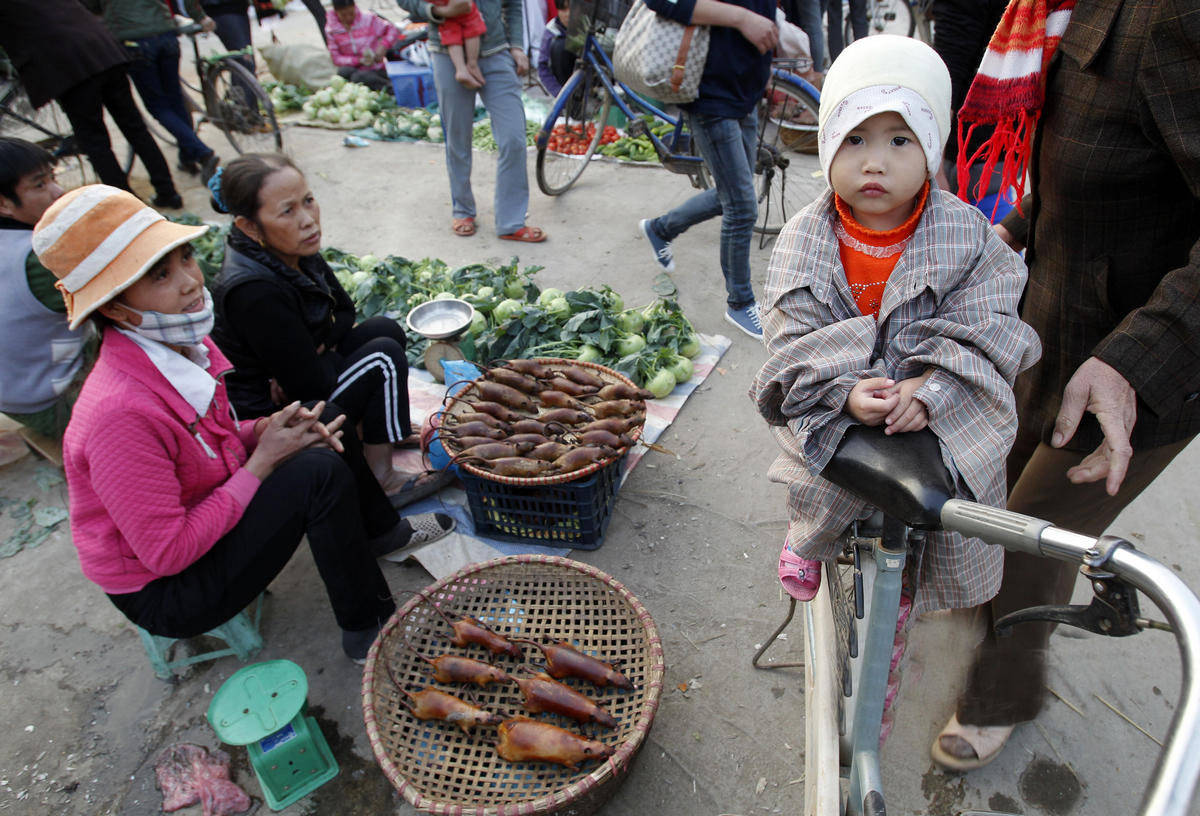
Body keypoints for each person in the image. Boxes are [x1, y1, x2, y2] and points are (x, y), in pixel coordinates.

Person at [932, 0, 1200, 771]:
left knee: (1033, 531)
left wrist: (1139, 360)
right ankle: (988, 613)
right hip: (1052, 317)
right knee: (994, 495)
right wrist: (1009, 231)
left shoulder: (1173, 20)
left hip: (1139, 363)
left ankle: (1000, 695)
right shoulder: (1056, 9)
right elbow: (1087, 157)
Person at [33, 185, 442, 662]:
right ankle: (368, 630)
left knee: (319, 418)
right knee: (316, 474)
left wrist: (261, 431)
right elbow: (168, 553)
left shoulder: (187, 348)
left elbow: (214, 442)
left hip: (201, 514)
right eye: (160, 276)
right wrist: (262, 463)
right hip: (170, 588)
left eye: (185, 258)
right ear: (116, 309)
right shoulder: (118, 415)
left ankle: (380, 533)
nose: (189, 281)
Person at [749, 35, 1040, 614]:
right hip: (838, 397)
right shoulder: (806, 237)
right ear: (829, 144)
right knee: (824, 471)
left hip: (933, 396)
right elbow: (792, 333)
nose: (874, 161)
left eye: (900, 140)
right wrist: (843, 391)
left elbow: (990, 322)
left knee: (953, 489)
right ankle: (807, 538)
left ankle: (900, 612)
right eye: (854, 139)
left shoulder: (968, 234)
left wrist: (932, 388)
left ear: (931, 150)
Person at [207, 153, 455, 511]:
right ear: (250, 227)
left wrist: (315, 345)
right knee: (383, 357)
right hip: (271, 409)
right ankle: (381, 478)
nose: (308, 219)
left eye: (308, 200)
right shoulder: (252, 289)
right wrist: (315, 349)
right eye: (287, 211)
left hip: (299, 372)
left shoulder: (292, 247)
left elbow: (344, 310)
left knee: (383, 328)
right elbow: (306, 385)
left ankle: (383, 431)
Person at [636, 0, 779, 339]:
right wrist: (744, 19)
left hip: (745, 88)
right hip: (710, 91)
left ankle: (660, 229)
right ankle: (740, 302)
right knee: (742, 207)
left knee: (731, 193)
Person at [0, 0, 183, 209]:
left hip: (68, 64)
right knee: (134, 127)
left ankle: (129, 207)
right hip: (102, 49)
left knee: (95, 141)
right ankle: (168, 191)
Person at [396, 0, 547, 242]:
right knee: (457, 137)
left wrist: (517, 46)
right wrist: (438, 12)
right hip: (447, 53)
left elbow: (513, 6)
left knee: (514, 138)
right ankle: (463, 209)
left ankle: (511, 222)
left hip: (496, 53)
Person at [0, 138, 93, 441]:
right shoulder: (38, 258)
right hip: (49, 399)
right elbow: (120, 297)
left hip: (13, 390)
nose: (58, 192)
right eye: (40, 185)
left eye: (53, 177)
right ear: (3, 203)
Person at [85, 0, 221, 181]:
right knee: (175, 101)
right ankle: (188, 154)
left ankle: (201, 152)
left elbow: (90, 7)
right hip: (166, 33)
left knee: (159, 107)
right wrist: (200, 16)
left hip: (134, 39)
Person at [326, 0, 403, 92]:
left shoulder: (369, 20)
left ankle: (391, 89)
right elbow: (336, 58)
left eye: (351, 13)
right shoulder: (331, 29)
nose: (348, 18)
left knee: (359, 77)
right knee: (343, 72)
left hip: (375, 69)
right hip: (354, 69)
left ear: (355, 7)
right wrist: (358, 61)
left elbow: (392, 30)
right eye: (343, 15)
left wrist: (383, 46)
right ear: (336, 12)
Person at [536, 0, 571, 97]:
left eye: (571, 9)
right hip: (562, 83)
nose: (567, 14)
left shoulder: (586, 25)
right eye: (563, 10)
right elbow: (543, 67)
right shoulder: (551, 31)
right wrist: (559, 93)